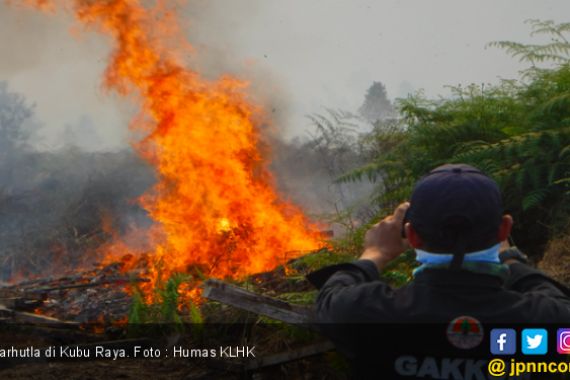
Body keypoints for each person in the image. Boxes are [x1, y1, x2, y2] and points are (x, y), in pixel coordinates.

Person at [308, 164, 570, 379]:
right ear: (504, 230)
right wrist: (510, 258)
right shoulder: (547, 321)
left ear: (411, 235)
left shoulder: (366, 313)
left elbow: (332, 296)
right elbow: (552, 296)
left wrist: (375, 253)